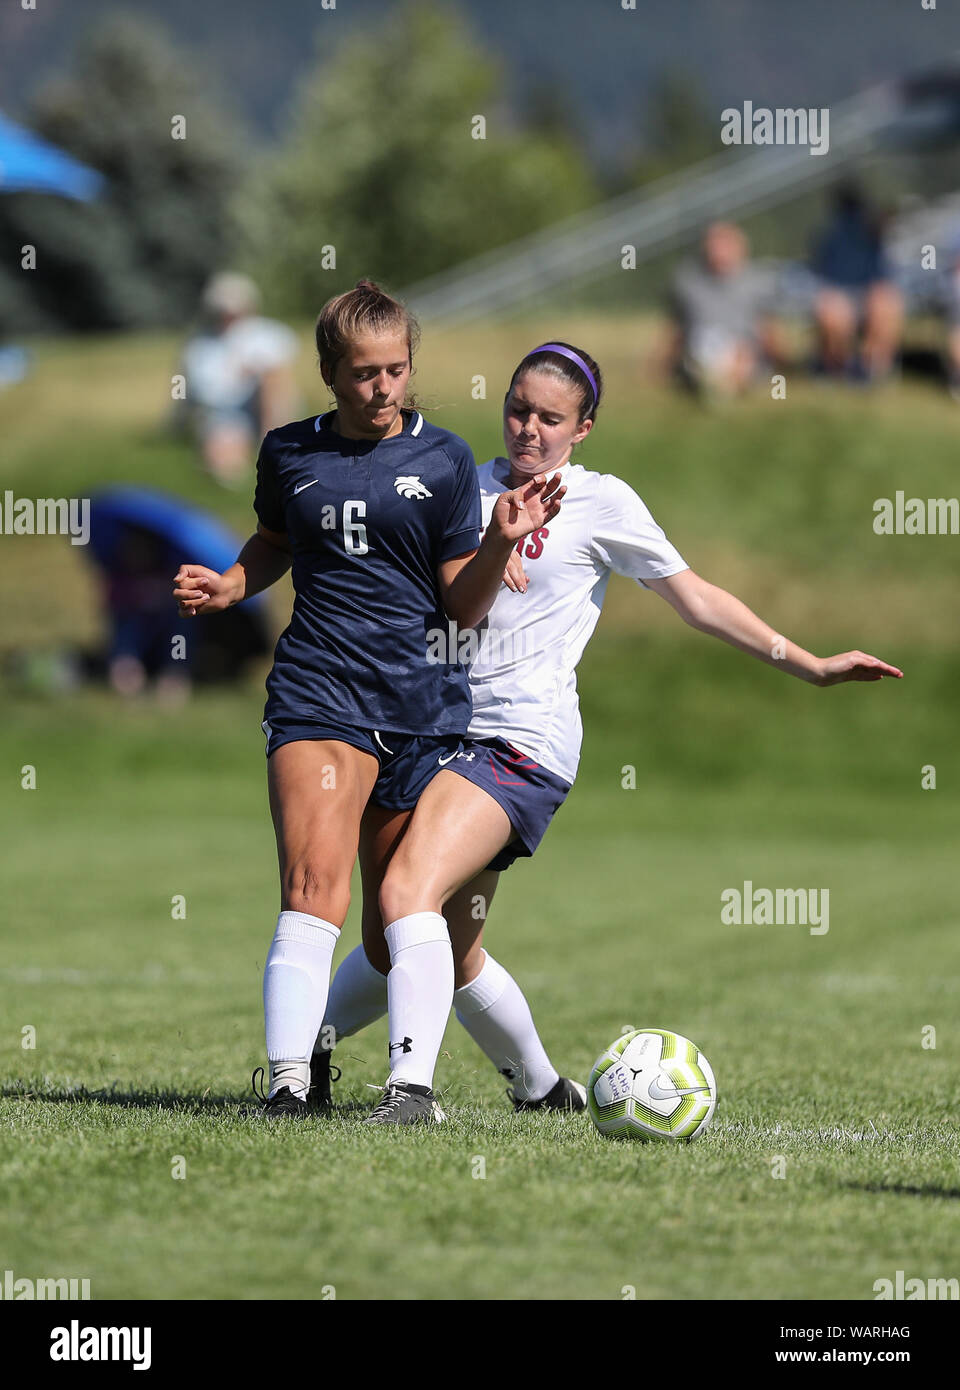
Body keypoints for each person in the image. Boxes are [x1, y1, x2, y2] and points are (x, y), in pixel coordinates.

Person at [314, 339, 903, 1125]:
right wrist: (482, 551)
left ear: (583, 428)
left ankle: (411, 1095)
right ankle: (530, 1087)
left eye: (549, 419)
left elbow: (696, 598)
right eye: (517, 409)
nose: (527, 429)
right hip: (425, 735)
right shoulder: (458, 485)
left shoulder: (603, 503)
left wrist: (811, 665)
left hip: (517, 743)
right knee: (432, 948)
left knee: (405, 892)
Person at [172, 281, 564, 1122]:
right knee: (316, 886)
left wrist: (498, 542)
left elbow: (463, 606)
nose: (383, 388)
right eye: (363, 373)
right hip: (320, 694)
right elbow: (275, 542)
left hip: (423, 709)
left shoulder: (446, 459)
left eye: (397, 370)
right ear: (328, 371)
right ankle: (286, 1089)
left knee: (395, 930)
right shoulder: (287, 452)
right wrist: (233, 582)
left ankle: (408, 1092)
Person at [177, 272, 300, 487]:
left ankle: (271, 442)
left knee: (270, 380)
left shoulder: (269, 334)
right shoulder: (200, 344)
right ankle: (230, 466)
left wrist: (254, 372)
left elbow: (279, 377)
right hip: (226, 412)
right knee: (224, 436)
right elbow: (199, 392)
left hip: (266, 408)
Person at [665, 222, 783, 397]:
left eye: (724, 245)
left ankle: (724, 381)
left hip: (744, 350)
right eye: (713, 245)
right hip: (701, 347)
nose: (717, 251)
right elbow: (677, 328)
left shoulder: (757, 283)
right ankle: (715, 380)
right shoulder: (689, 282)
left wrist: (782, 362)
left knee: (740, 357)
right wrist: (664, 362)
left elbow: (767, 329)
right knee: (704, 354)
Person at [810, 183, 903, 382]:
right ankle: (839, 368)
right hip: (839, 294)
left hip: (868, 293)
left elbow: (887, 220)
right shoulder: (829, 236)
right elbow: (821, 278)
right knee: (832, 310)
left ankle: (874, 368)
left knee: (886, 303)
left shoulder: (873, 233)